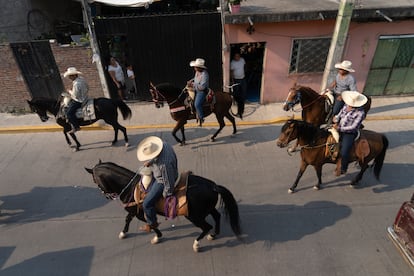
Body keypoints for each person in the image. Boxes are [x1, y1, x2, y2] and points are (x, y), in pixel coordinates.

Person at [136, 136, 178, 232]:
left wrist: (166, 194)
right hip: (162, 169)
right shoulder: (164, 144)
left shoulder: (163, 165)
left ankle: (152, 223)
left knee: (146, 203)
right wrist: (151, 161)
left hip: (162, 180)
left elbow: (168, 181)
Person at [333, 90, 368, 175]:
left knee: (345, 150)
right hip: (338, 127)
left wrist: (339, 128)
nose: (350, 104)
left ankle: (344, 167)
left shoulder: (360, 113)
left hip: (349, 133)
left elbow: (353, 127)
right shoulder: (346, 105)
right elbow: (340, 114)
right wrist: (336, 119)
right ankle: (333, 155)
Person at [63, 67, 89, 134]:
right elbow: (87, 87)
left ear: (74, 75)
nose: (69, 78)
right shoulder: (82, 79)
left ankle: (76, 126)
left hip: (79, 100)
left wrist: (69, 91)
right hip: (86, 97)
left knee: (69, 113)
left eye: (70, 76)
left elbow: (75, 96)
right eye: (69, 76)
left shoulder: (76, 84)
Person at [187, 58, 209, 126]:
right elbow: (195, 79)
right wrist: (191, 80)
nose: (194, 68)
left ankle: (201, 117)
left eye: (195, 67)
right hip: (195, 89)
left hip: (201, 91)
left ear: (200, 67)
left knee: (197, 104)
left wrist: (193, 84)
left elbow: (202, 87)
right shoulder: (197, 72)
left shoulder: (205, 75)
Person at [230, 52, 247, 119]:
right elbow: (231, 72)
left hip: (243, 79)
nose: (237, 57)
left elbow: (245, 66)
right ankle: (237, 105)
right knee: (236, 94)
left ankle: (241, 111)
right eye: (236, 56)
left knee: (243, 93)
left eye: (238, 56)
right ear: (234, 57)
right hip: (236, 80)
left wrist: (245, 72)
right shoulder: (232, 62)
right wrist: (232, 80)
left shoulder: (242, 60)